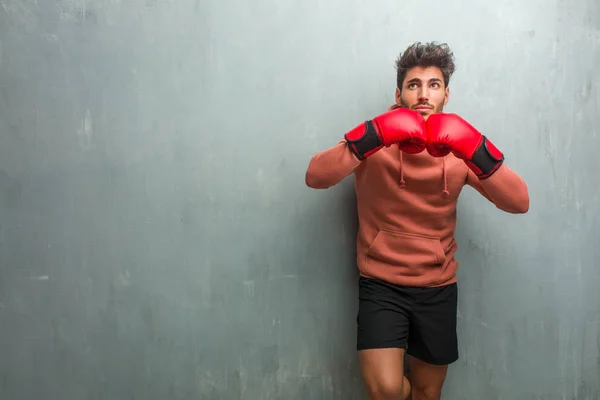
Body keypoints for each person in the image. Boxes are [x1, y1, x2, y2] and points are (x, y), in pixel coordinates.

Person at [304, 42, 530, 400]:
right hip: (381, 283)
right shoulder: (375, 141)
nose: (424, 94)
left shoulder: (458, 152)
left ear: (446, 94)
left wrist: (473, 146)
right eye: (414, 85)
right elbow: (315, 176)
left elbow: (519, 202)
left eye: (433, 85)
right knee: (387, 390)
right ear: (399, 93)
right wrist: (372, 135)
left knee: (427, 393)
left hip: (437, 285)